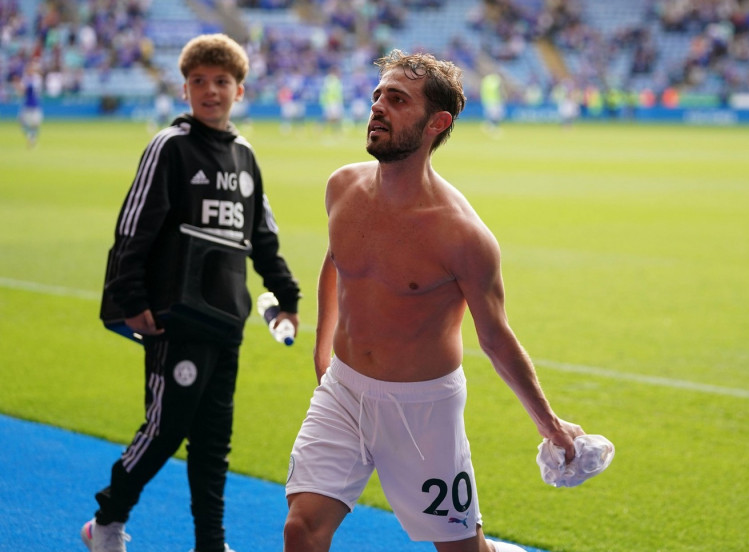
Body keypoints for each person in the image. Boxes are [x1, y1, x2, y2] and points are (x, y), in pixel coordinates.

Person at [283, 49, 584, 552]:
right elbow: (337, 260)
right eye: (378, 95)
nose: (377, 107)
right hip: (344, 390)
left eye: (396, 100)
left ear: (435, 123)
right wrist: (322, 344)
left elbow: (496, 339)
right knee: (302, 528)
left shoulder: (463, 236)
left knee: (462, 551)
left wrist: (550, 425)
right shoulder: (342, 187)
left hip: (422, 410)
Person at [81, 34, 301, 552]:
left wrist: (285, 293)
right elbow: (133, 227)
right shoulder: (170, 147)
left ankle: (211, 543)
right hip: (173, 318)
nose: (211, 90)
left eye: (221, 81)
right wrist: (130, 298)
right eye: (199, 81)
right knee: (164, 429)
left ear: (239, 91)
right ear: (184, 89)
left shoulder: (246, 157)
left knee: (213, 443)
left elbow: (261, 236)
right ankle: (106, 524)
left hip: (226, 320)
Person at [18, 59, 43, 148]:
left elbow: (30, 88)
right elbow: (22, 92)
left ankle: (32, 139)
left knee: (35, 124)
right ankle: (31, 137)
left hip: (34, 104)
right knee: (22, 122)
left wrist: (20, 86)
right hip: (27, 104)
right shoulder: (26, 78)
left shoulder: (36, 78)